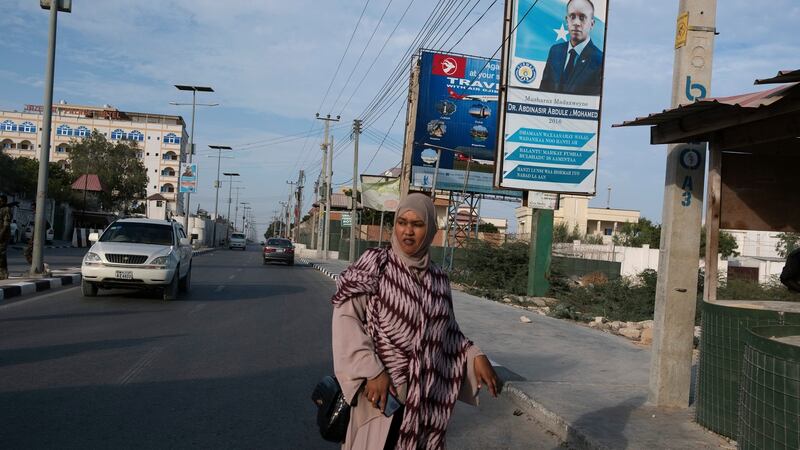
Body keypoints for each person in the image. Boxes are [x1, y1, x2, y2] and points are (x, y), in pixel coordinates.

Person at [331, 193, 498, 450]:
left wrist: (475, 355)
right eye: (402, 222)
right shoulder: (376, 264)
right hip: (381, 397)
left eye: (417, 225)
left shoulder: (438, 278)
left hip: (424, 401)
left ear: (430, 229)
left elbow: (447, 330)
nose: (407, 231)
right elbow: (346, 319)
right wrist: (371, 370)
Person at [538, 0, 604, 96]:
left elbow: (594, 102)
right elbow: (543, 89)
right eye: (572, 17)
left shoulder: (599, 59)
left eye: (582, 18)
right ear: (567, 20)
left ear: (592, 24)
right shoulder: (555, 51)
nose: (576, 23)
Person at [0, 195, 11, 280]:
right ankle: (3, 272)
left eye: (1, 201)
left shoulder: (6, 209)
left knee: (1, 254)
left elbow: (6, 225)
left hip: (3, 235)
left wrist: (1, 234)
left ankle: (3, 273)